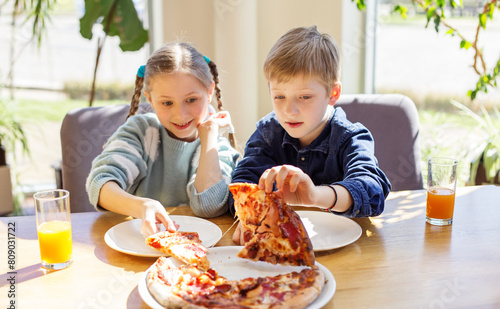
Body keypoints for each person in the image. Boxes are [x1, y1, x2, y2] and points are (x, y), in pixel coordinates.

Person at [231, 26, 391, 244]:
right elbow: (243, 181)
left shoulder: (351, 137)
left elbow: (371, 190)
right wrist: (251, 212)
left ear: (332, 93)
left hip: (347, 249)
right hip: (280, 247)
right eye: (279, 96)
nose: (289, 110)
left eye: (305, 97)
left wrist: (316, 196)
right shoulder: (268, 133)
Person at [86, 42, 240, 237]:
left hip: (197, 253)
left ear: (209, 92)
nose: (180, 114)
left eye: (191, 100)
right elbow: (100, 183)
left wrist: (209, 136)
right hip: (140, 246)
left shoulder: (217, 146)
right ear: (150, 99)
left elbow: (208, 206)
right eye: (167, 103)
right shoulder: (141, 132)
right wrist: (142, 206)